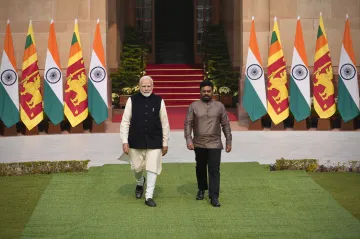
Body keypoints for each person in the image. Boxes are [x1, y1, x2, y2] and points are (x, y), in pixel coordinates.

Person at [120, 75, 170, 207]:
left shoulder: (159, 100)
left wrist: (165, 142)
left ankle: (148, 196)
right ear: (139, 86)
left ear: (152, 87)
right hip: (135, 140)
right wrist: (124, 141)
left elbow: (165, 123)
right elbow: (125, 121)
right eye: (144, 86)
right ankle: (140, 181)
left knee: (152, 167)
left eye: (149, 86)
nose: (146, 88)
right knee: (136, 168)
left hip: (155, 140)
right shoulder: (132, 100)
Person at [184, 80, 232, 207]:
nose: (206, 93)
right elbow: (188, 123)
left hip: (215, 142)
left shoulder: (220, 106)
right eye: (204, 91)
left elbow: (225, 124)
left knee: (214, 169)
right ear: (200, 92)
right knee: (200, 167)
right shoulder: (193, 106)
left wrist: (228, 140)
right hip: (198, 143)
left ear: (212, 92)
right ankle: (201, 189)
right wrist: (188, 139)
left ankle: (214, 196)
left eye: (208, 91)